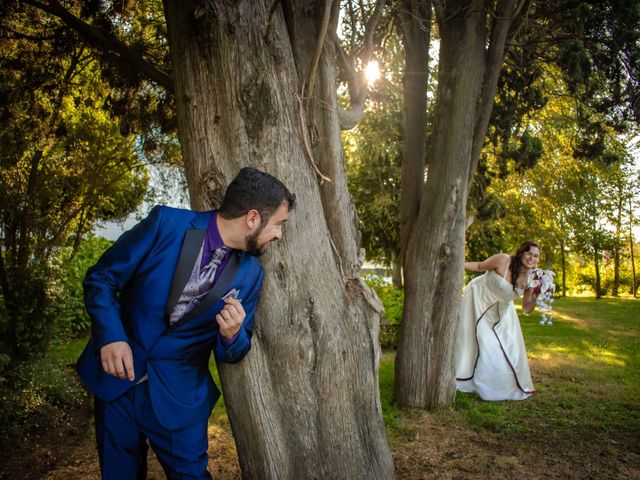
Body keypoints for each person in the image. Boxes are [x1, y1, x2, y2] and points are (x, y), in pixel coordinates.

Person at [76, 167, 295, 479]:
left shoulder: (251, 275)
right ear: (252, 218)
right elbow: (101, 278)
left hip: (179, 401)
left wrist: (232, 335)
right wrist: (111, 336)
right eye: (278, 224)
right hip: (116, 386)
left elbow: (235, 350)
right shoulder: (166, 224)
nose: (279, 234)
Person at [454, 241, 541, 401]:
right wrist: (456, 263)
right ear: (521, 253)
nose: (531, 258)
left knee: (496, 349)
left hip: (500, 312)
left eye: (536, 256)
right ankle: (464, 376)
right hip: (477, 299)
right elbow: (479, 266)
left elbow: (527, 309)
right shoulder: (503, 260)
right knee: (471, 339)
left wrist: (536, 294)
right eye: (529, 253)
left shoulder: (533, 278)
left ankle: (490, 385)